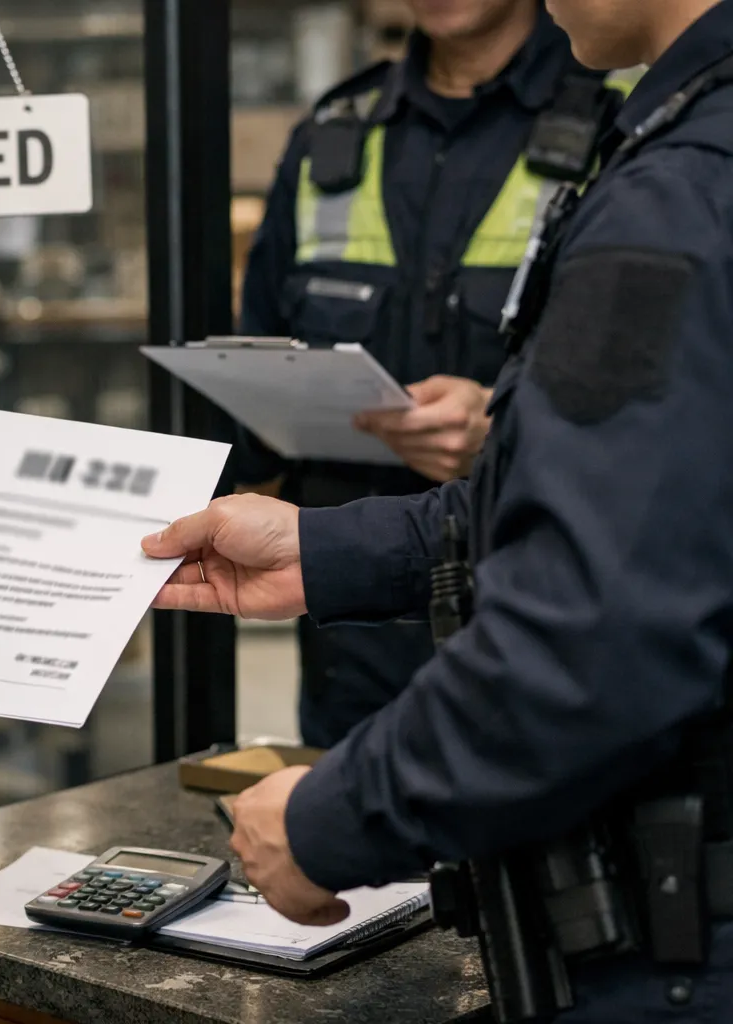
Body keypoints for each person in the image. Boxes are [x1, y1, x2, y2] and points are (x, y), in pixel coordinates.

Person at [147, 0, 733, 1017]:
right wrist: (327, 550)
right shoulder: (679, 148)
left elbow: (592, 638)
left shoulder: (678, 188)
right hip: (407, 698)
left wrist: (329, 820)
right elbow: (666, 499)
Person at [235, 0, 639, 749]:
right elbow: (257, 358)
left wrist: (509, 428)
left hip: (533, 618)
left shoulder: (627, 121)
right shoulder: (337, 129)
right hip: (350, 632)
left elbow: (662, 401)